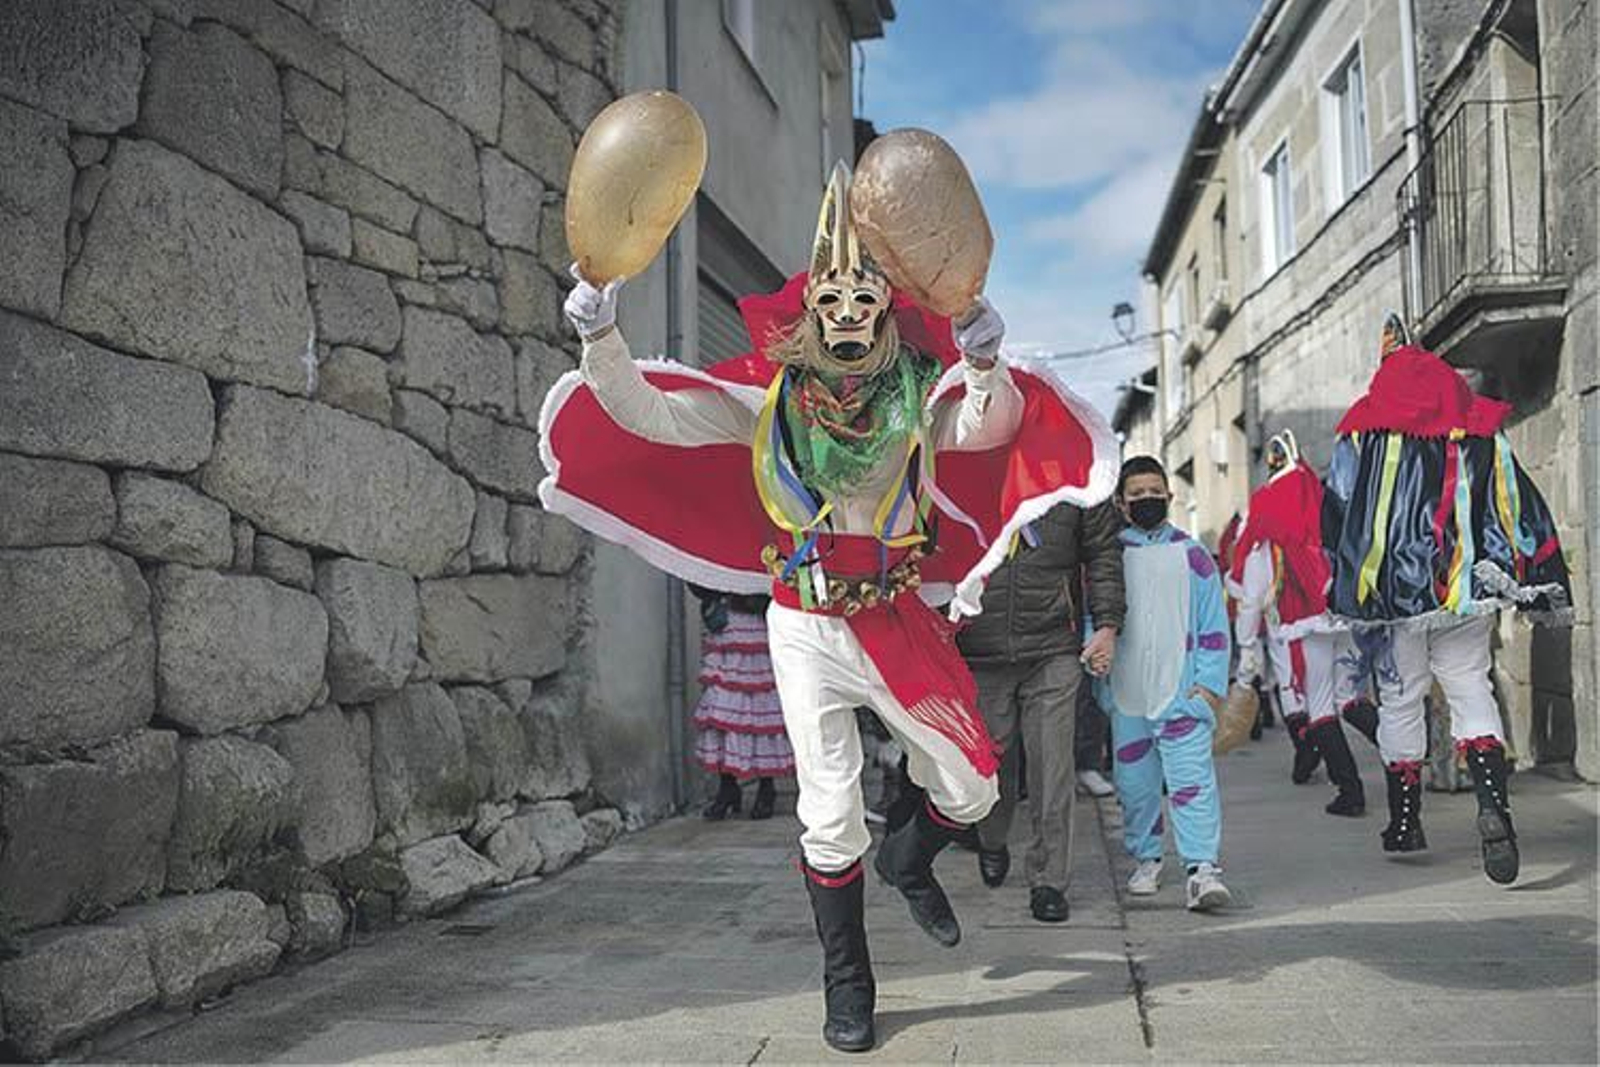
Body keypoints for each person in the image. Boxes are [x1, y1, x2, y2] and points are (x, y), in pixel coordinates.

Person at [542, 161, 1117, 1052]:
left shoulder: (918, 399)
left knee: (973, 782)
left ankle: (908, 856)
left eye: (864, 298)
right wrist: (600, 334)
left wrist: (984, 360)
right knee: (829, 808)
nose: (848, 312)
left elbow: (986, 425)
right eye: (833, 298)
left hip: (893, 616)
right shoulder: (765, 403)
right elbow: (646, 414)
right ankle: (848, 984)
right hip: (806, 621)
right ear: (812, 310)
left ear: (885, 309)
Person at [1322, 315, 1572, 883]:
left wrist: (1346, 583)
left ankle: (1406, 822)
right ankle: (1493, 812)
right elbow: (1514, 502)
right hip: (1465, 584)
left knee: (1403, 697)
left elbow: (1338, 510)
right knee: (1470, 686)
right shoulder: (1476, 425)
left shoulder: (1362, 429)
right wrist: (1534, 569)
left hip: (1396, 594)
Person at [956, 501, 1124, 923]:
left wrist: (1107, 625)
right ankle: (992, 839)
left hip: (1053, 647)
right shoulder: (974, 448)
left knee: (1053, 767)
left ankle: (1049, 880)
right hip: (980, 647)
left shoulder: (1075, 467)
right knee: (990, 765)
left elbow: (1103, 550)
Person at [1096, 456, 1232, 912]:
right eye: (1137, 495)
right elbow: (1095, 622)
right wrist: (1101, 683)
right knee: (1135, 786)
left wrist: (1209, 687)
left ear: (1170, 497)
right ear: (1121, 502)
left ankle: (1202, 869)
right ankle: (1146, 858)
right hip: (1127, 697)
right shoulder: (1110, 556)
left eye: (1155, 491)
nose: (1147, 500)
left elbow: (1215, 624)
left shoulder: (1193, 556)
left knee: (1192, 781)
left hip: (1182, 694)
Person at [1228, 431, 1371, 817]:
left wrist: (1246, 643)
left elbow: (1252, 590)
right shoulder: (1322, 496)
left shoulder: (1267, 507)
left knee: (1321, 705)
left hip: (1302, 620)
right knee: (1350, 699)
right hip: (1342, 614)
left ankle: (1351, 792)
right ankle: (1403, 757)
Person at [690, 587, 791, 820]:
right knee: (722, 711)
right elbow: (697, 580)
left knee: (761, 709)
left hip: (759, 621)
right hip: (726, 625)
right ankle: (727, 786)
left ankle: (766, 788)